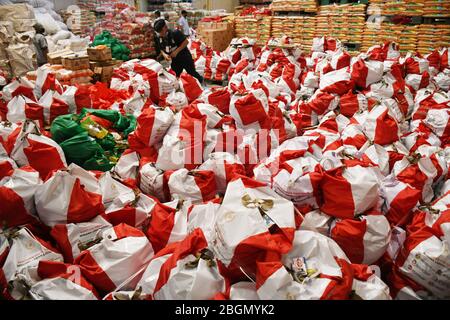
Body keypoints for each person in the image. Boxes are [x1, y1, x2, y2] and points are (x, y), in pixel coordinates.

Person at [153, 19, 203, 83]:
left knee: (191, 72)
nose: (160, 34)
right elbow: (160, 49)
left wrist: (176, 51)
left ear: (165, 27)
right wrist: (165, 55)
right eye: (159, 32)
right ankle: (181, 86)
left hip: (184, 56)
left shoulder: (175, 32)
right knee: (175, 74)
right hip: (174, 60)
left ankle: (200, 81)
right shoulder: (158, 37)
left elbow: (186, 42)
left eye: (161, 31)